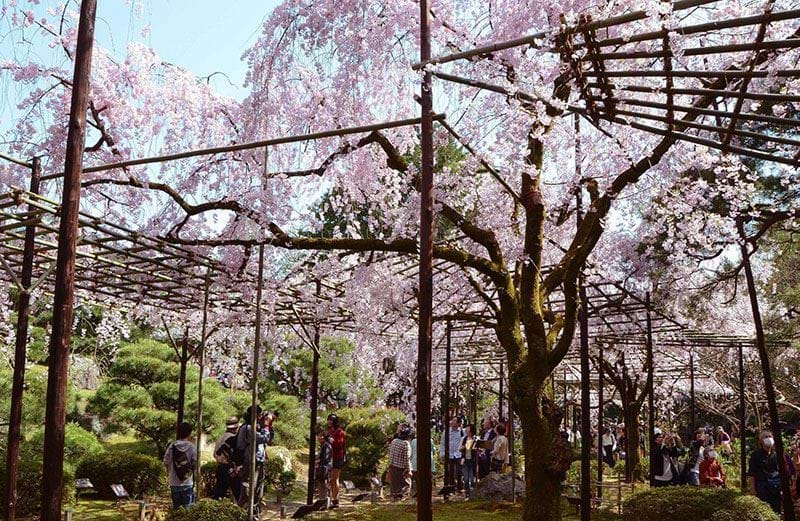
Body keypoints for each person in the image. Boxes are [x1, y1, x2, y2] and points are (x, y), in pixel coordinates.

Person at [236, 405, 269, 510]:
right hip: (251, 460)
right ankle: (245, 508)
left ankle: (253, 508)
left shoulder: (251, 427)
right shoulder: (249, 428)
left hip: (257, 459)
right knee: (249, 485)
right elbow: (264, 438)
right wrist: (267, 426)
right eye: (259, 415)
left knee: (257, 485)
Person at [163, 421, 197, 509]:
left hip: (174, 482)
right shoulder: (192, 447)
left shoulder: (172, 446)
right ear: (189, 433)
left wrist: (171, 470)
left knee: (177, 509)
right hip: (187, 482)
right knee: (187, 509)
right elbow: (195, 463)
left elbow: (165, 462)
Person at [748, 430, 782, 513]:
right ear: (761, 441)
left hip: (775, 487)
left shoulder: (776, 455)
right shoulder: (755, 455)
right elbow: (751, 473)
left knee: (776, 509)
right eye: (765, 437)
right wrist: (752, 488)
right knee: (765, 510)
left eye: (770, 436)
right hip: (762, 487)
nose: (768, 438)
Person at [212, 416, 241, 500]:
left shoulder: (220, 438)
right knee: (238, 494)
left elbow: (214, 454)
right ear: (236, 427)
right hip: (230, 469)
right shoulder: (233, 439)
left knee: (218, 494)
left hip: (220, 468)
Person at [388, 425, 413, 499]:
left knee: (395, 486)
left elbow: (390, 454)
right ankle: (402, 500)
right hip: (402, 469)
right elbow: (407, 458)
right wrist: (409, 470)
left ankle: (394, 500)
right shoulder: (406, 444)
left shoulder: (394, 441)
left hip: (393, 466)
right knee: (406, 485)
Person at [328, 413, 347, 507]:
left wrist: (331, 440)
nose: (329, 422)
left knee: (335, 478)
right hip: (331, 457)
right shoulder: (330, 431)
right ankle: (333, 497)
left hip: (337, 457)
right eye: (328, 419)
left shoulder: (339, 432)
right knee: (331, 479)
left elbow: (339, 444)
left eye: (331, 420)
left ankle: (335, 499)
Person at [440, 417, 465, 490]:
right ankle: (451, 487)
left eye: (454, 420)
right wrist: (442, 453)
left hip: (458, 454)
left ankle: (460, 486)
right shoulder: (447, 431)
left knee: (459, 471)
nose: (452, 422)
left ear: (458, 423)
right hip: (449, 454)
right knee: (449, 471)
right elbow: (442, 443)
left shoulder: (462, 432)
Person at [314, 428, 333, 500]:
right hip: (323, 468)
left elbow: (326, 458)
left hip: (324, 469)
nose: (319, 437)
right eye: (318, 436)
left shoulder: (326, 445)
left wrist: (317, 462)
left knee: (324, 486)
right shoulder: (324, 445)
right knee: (322, 486)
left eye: (321, 436)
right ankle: (323, 501)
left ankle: (324, 502)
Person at [460, 424, 477, 499]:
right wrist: (464, 447)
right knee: (466, 478)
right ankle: (467, 494)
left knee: (472, 478)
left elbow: (479, 449)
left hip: (472, 460)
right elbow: (459, 449)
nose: (467, 431)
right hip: (465, 460)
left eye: (468, 430)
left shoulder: (476, 439)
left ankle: (472, 494)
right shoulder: (464, 439)